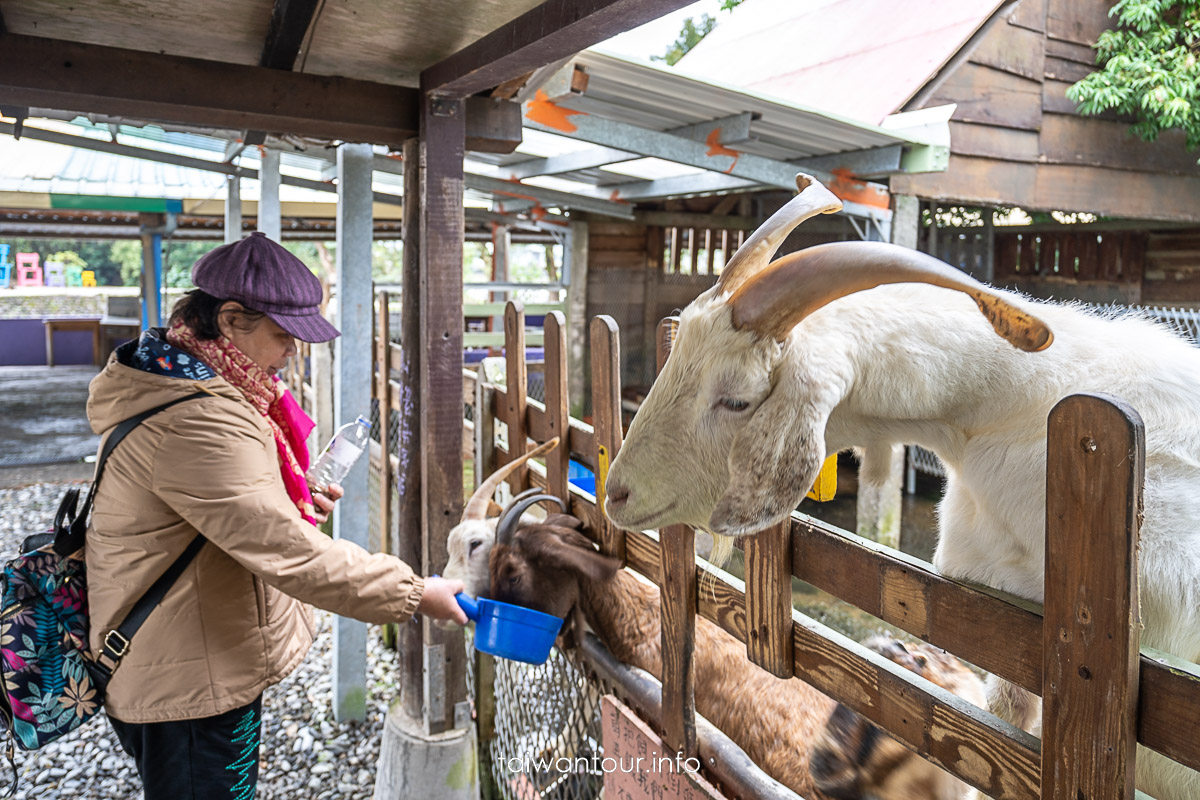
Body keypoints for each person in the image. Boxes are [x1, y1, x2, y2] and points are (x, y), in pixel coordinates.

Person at [84, 232, 467, 799]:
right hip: (187, 676)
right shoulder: (198, 418)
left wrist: (287, 501)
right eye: (283, 334)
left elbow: (234, 514)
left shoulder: (197, 382)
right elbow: (287, 552)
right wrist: (413, 593)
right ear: (231, 319)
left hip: (189, 646)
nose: (293, 350)